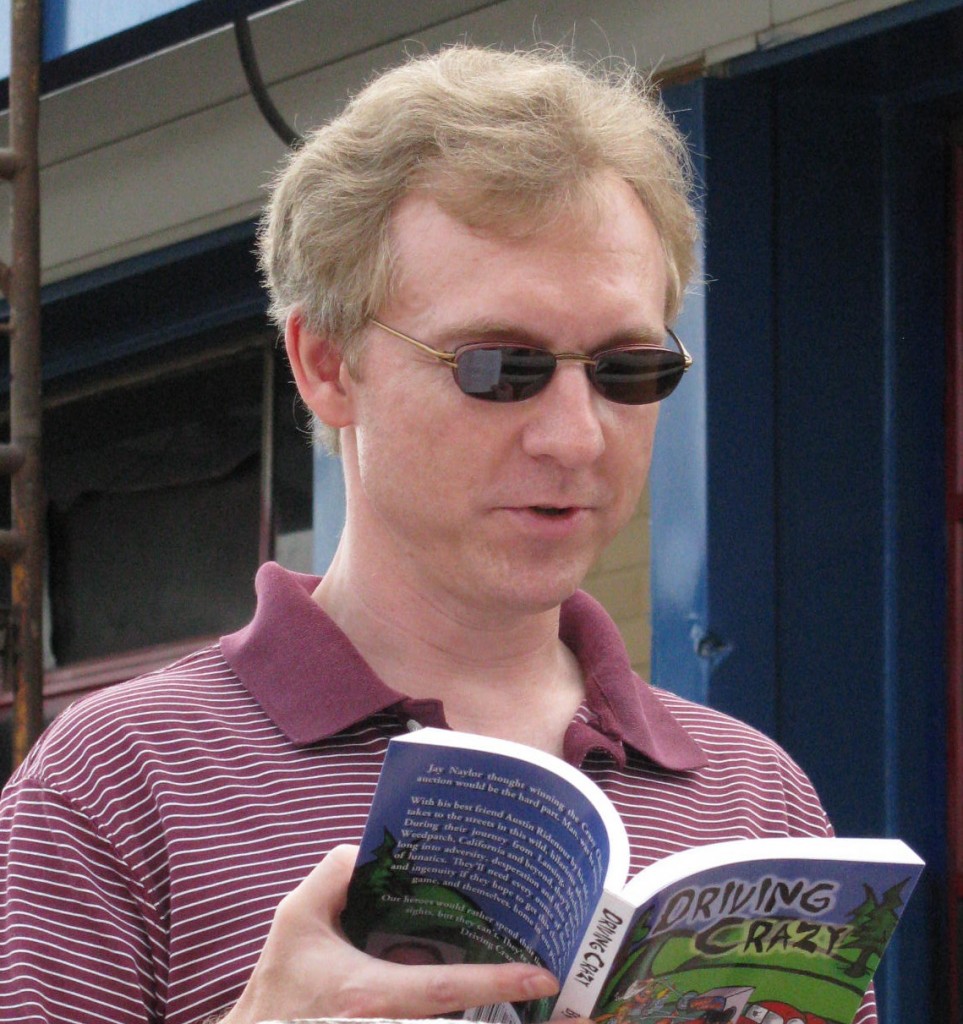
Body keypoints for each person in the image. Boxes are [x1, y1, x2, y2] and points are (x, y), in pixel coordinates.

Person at [0, 45, 875, 1024]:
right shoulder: (119, 783)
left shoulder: (754, 796)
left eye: (628, 368)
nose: (577, 435)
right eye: (502, 366)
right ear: (327, 366)